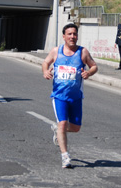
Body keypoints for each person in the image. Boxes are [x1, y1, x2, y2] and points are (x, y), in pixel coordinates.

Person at [42, 23, 98, 169]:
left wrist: (88, 73)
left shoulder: (82, 52)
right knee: (62, 124)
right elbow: (46, 62)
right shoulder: (56, 51)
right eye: (70, 34)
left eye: (75, 34)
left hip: (76, 97)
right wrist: (45, 71)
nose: (72, 37)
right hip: (59, 96)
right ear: (64, 36)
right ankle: (65, 156)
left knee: (75, 128)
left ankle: (57, 129)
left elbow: (94, 66)